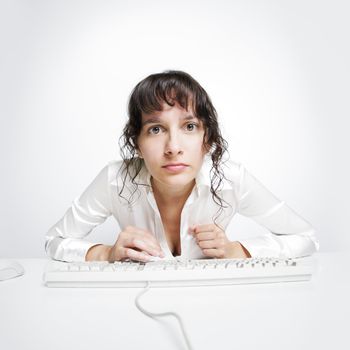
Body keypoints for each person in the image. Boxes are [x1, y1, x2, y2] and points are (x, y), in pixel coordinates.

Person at [45, 70, 319, 263]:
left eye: (189, 126)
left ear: (207, 138)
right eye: (155, 129)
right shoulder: (115, 179)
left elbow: (305, 237)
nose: (173, 147)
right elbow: (55, 240)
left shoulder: (231, 179)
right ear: (137, 143)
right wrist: (106, 254)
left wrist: (235, 250)